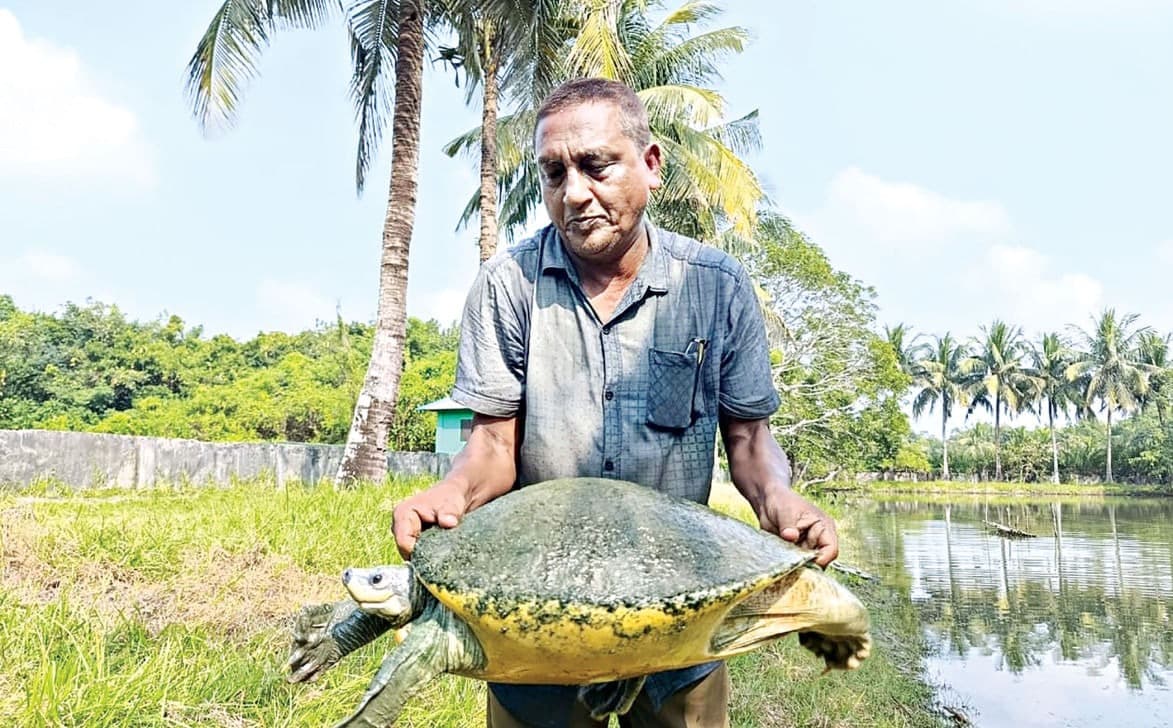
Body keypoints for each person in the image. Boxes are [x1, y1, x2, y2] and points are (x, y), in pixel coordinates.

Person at [389, 77, 839, 728]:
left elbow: (747, 442)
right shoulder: (505, 286)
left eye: (595, 165)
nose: (573, 193)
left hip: (681, 612)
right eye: (553, 173)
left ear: (650, 165)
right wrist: (449, 497)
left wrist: (778, 500)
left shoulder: (715, 287)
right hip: (536, 614)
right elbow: (490, 448)